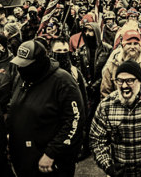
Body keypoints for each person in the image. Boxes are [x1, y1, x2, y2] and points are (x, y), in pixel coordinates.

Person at [8, 39, 85, 177]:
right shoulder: (22, 78)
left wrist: (52, 153)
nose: (21, 68)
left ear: (39, 62)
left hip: (50, 163)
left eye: (26, 65)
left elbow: (74, 121)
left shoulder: (63, 81)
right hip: (24, 160)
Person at [100, 29, 141, 98]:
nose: (132, 47)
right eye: (129, 44)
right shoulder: (113, 66)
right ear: (123, 45)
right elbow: (105, 92)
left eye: (135, 43)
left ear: (140, 45)